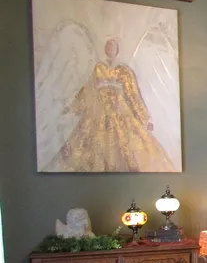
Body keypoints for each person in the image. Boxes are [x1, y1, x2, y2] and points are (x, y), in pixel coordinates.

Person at [45, 37, 174, 172]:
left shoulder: (124, 71)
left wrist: (145, 117)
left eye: (112, 47)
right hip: (99, 112)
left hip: (120, 111)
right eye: (108, 47)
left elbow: (133, 95)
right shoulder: (99, 68)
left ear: (117, 50)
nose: (110, 49)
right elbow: (89, 88)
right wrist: (73, 106)